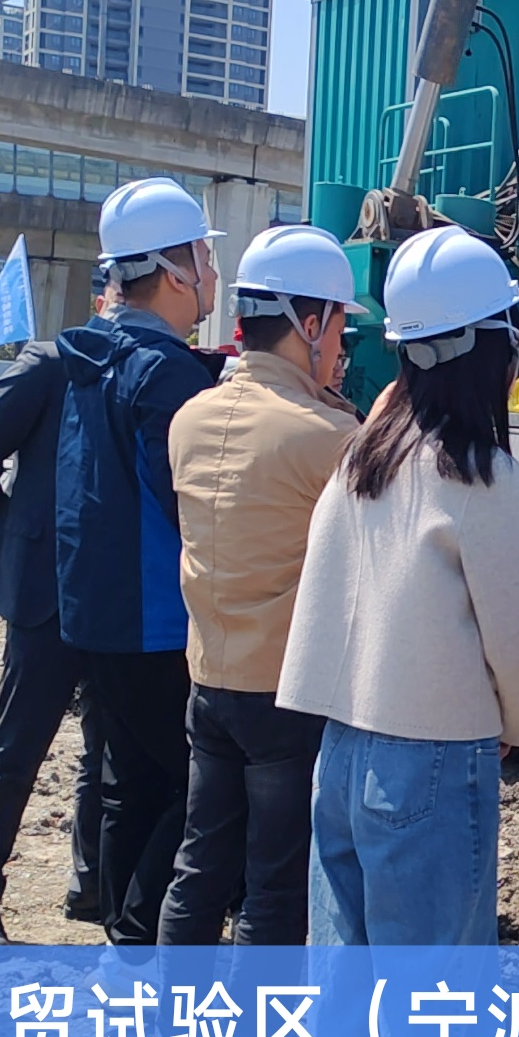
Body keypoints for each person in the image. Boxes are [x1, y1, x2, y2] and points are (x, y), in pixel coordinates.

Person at [277, 224, 519, 1037]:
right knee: (437, 1017)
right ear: (484, 349)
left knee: (347, 1000)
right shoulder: (479, 475)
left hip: (341, 749)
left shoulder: (368, 454)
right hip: (434, 761)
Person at [159, 224, 362, 945]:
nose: (340, 347)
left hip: (209, 676)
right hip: (285, 694)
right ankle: (259, 1022)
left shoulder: (190, 418)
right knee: (275, 884)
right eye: (338, 328)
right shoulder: (327, 437)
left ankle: (177, 1012)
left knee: (200, 865)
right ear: (310, 324)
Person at [55, 176, 224, 942]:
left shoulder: (92, 355)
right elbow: (189, 504)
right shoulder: (167, 373)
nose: (212, 272)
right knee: (197, 788)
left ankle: (119, 937)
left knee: (129, 780)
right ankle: (136, 931)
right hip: (155, 617)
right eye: (205, 257)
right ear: (175, 270)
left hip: (92, 608)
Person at [0, 334, 106, 946]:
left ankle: (91, 884)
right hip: (44, 590)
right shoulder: (49, 365)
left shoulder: (151, 365)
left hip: (117, 597)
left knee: (108, 750)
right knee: (17, 749)